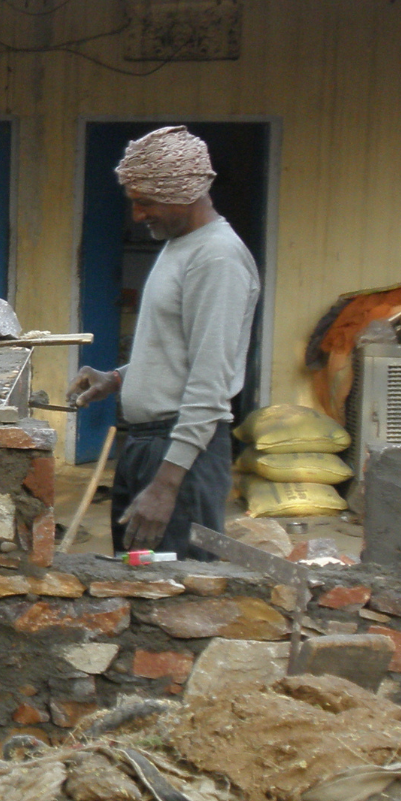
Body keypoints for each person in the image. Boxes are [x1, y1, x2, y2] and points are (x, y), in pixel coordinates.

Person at [66, 125, 259, 559]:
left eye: (145, 203)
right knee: (136, 583)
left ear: (184, 192)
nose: (137, 216)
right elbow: (183, 352)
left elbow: (211, 381)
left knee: (175, 592)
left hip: (181, 452)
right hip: (149, 444)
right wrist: (118, 378)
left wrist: (167, 484)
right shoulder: (182, 246)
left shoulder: (218, 258)